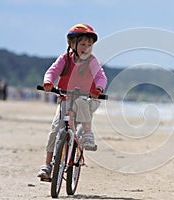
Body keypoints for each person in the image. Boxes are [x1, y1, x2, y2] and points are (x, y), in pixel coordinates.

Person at [37, 24, 107, 179]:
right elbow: (53, 70)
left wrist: (99, 89)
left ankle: (87, 133)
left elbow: (101, 77)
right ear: (71, 44)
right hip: (66, 97)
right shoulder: (65, 59)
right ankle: (48, 164)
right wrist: (48, 82)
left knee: (82, 102)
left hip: (89, 98)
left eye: (90, 45)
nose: (86, 48)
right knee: (55, 129)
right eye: (82, 44)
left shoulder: (92, 61)